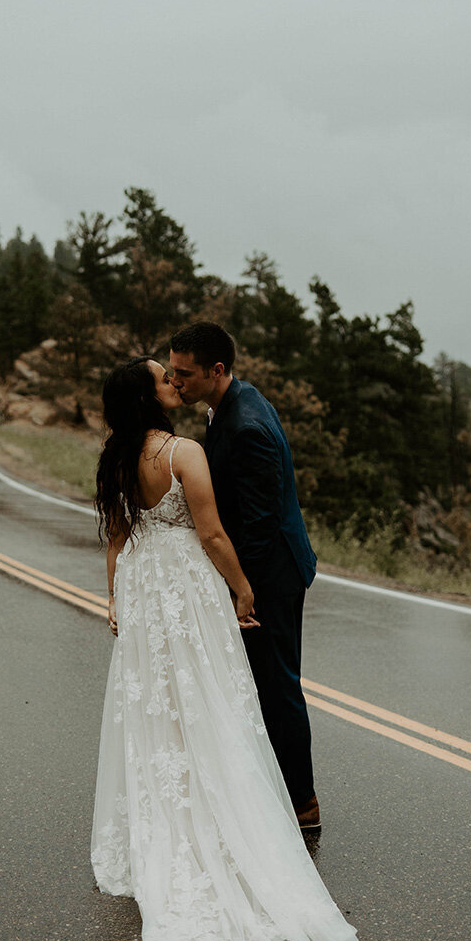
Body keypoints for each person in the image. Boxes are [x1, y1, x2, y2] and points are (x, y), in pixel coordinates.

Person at [90, 357, 364, 941]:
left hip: (141, 585)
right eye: (164, 378)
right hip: (185, 584)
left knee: (156, 704)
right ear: (149, 395)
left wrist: (114, 597)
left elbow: (115, 535)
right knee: (207, 696)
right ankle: (222, 821)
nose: (173, 382)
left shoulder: (114, 457)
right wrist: (242, 588)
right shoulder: (182, 452)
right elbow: (212, 534)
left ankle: (164, 821)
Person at [169, 322, 320, 828]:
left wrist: (241, 592)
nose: (176, 383)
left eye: (184, 374)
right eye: (171, 372)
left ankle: (302, 804)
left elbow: (256, 526)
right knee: (260, 684)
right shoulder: (232, 404)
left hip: (271, 573)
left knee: (277, 687)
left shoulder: (247, 426)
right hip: (266, 565)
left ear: (217, 370)